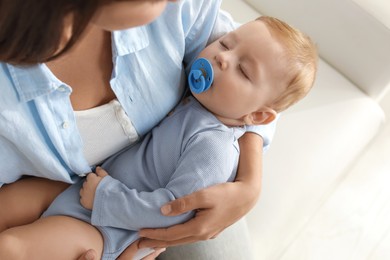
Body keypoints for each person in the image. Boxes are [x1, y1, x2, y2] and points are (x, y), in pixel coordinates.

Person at [0, 16, 318, 260]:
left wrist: (105, 198)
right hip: (81, 187)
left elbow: (173, 210)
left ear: (259, 116)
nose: (222, 58)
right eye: (225, 44)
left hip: (104, 229)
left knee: (11, 248)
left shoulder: (213, 148)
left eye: (244, 71)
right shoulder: (194, 101)